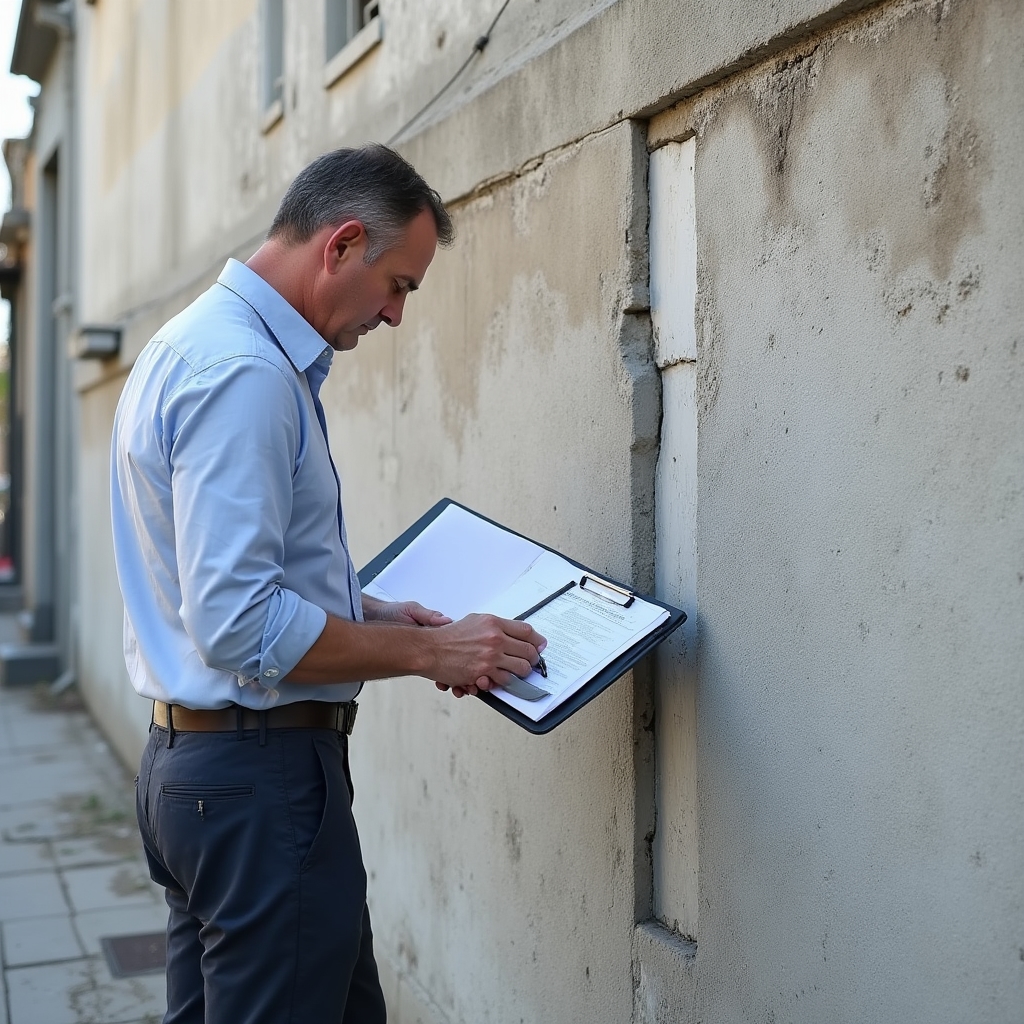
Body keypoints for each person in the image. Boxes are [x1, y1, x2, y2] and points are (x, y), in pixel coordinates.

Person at [110, 144, 546, 1024]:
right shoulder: (245, 375)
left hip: (203, 774)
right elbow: (239, 624)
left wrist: (371, 609)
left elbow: (216, 578)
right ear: (342, 244)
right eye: (399, 286)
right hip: (257, 780)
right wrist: (432, 650)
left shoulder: (196, 344)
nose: (395, 317)